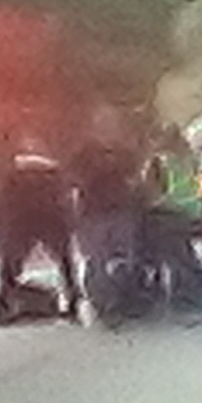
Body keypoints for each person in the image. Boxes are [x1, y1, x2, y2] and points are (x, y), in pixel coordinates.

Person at [69, 107, 145, 320]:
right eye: (102, 122)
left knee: (122, 259)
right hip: (94, 213)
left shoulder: (124, 152)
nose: (107, 126)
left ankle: (122, 301)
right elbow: (75, 181)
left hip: (120, 211)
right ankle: (103, 302)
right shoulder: (85, 152)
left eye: (110, 122)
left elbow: (136, 179)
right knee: (98, 260)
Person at [0, 136, 79, 319]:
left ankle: (2, 305)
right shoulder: (52, 169)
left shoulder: (16, 169)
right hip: (50, 217)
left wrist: (8, 219)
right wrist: (67, 218)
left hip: (23, 218)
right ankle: (73, 299)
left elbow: (8, 198)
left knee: (11, 262)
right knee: (64, 260)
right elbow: (62, 195)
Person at [138, 125, 202, 311]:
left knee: (171, 253)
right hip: (194, 211)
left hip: (170, 212)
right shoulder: (193, 158)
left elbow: (149, 194)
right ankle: (196, 290)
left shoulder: (158, 162)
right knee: (182, 254)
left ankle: (185, 295)